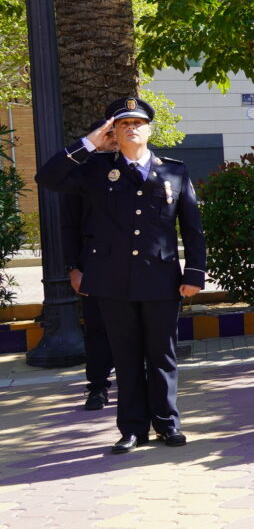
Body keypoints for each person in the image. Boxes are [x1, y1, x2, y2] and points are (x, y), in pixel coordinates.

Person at [37, 97, 206, 454]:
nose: (131, 128)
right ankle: (132, 429)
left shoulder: (174, 171)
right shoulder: (96, 169)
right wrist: (89, 143)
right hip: (112, 280)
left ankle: (167, 424)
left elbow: (192, 228)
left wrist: (194, 272)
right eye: (122, 123)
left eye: (137, 123)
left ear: (149, 129)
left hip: (161, 278)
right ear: (112, 130)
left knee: (162, 356)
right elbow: (47, 177)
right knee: (126, 357)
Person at [61, 119, 116, 411]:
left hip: (135, 267)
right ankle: (97, 387)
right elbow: (69, 225)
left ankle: (142, 386)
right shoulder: (81, 175)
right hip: (93, 263)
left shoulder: (146, 169)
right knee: (97, 329)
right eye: (108, 134)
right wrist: (74, 267)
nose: (114, 138)